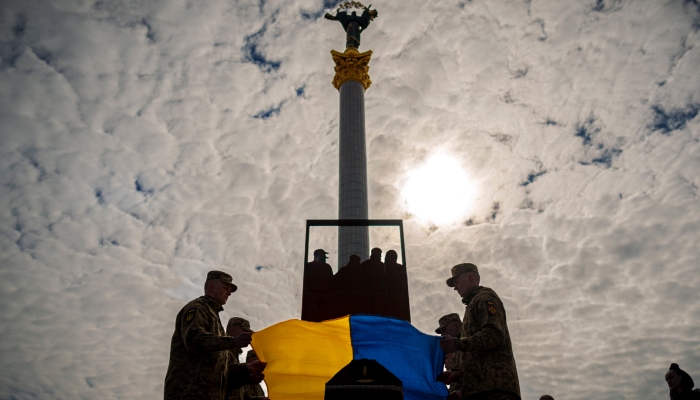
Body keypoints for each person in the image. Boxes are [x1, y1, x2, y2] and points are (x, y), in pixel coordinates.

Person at [164, 271, 266, 400]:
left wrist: (247, 368)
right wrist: (233, 342)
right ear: (212, 287)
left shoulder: (215, 318)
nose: (229, 293)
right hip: (189, 392)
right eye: (226, 288)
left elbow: (222, 368)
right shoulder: (197, 308)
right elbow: (193, 340)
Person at [438, 263, 520, 400]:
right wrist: (458, 375)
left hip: (495, 389)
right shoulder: (472, 304)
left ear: (470, 278)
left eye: (457, 282)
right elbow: (477, 358)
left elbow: (494, 335)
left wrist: (458, 344)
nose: (455, 288)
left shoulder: (484, 298)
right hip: (481, 390)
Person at [225, 317, 254, 400]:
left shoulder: (235, 355)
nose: (249, 337)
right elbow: (221, 380)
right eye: (245, 332)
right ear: (233, 330)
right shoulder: (221, 351)